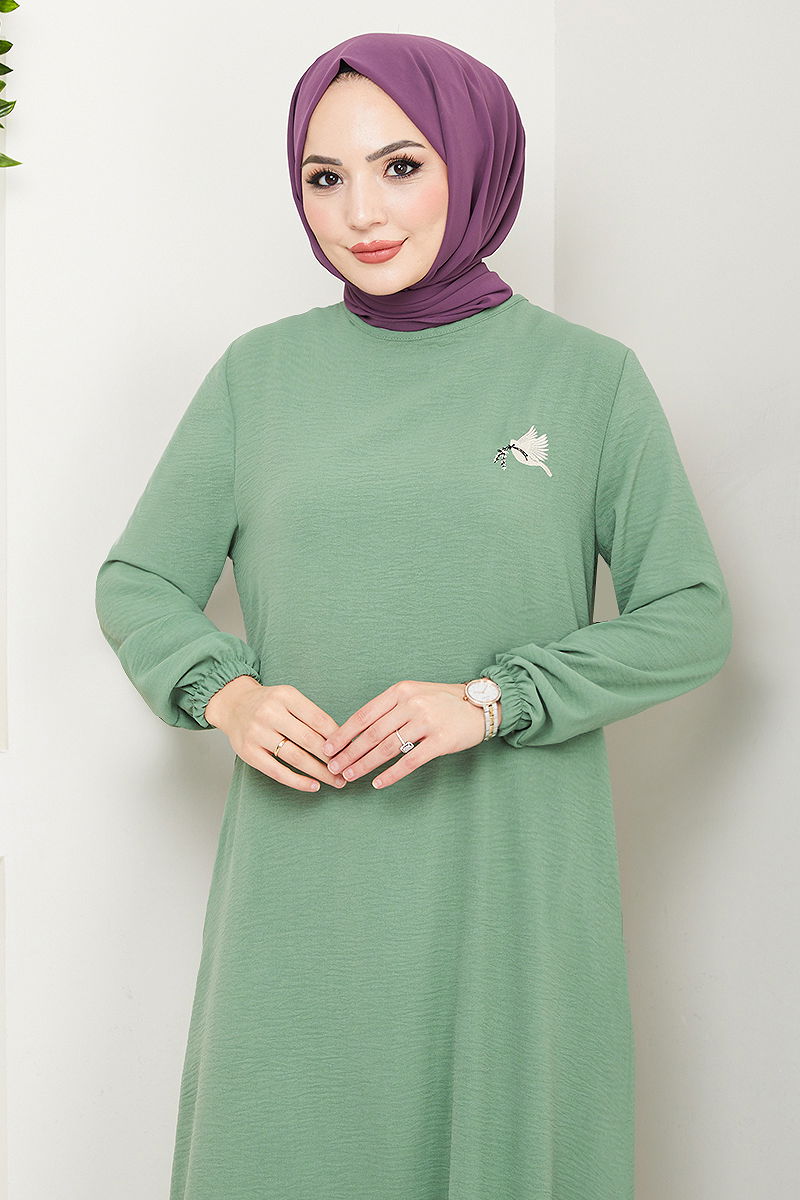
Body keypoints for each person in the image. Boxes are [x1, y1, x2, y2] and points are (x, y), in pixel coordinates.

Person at [94, 30, 733, 1200]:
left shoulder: (587, 379)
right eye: (323, 176)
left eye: (400, 166)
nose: (359, 213)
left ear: (473, 163)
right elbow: (138, 578)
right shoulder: (258, 376)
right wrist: (225, 695)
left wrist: (495, 699)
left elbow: (688, 614)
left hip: (508, 874)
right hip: (303, 876)